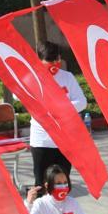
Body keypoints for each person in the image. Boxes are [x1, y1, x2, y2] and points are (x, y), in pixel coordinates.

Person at [28, 41, 87, 187]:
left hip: (65, 139)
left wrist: (58, 108)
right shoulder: (32, 78)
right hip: (42, 140)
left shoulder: (67, 77)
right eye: (50, 60)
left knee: (62, 183)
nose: (54, 63)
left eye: (57, 59)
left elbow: (81, 102)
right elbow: (20, 96)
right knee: (41, 184)